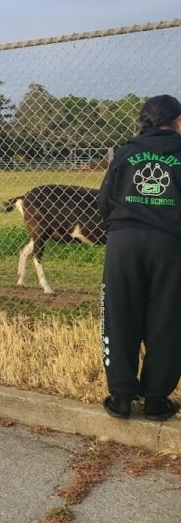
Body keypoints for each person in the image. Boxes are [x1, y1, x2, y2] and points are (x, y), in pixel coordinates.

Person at [98, 94, 181, 421]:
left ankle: (120, 397)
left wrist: (122, 226)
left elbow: (104, 202)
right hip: (170, 244)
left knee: (120, 313)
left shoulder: (125, 152)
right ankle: (156, 400)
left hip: (124, 241)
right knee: (169, 317)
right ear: (177, 121)